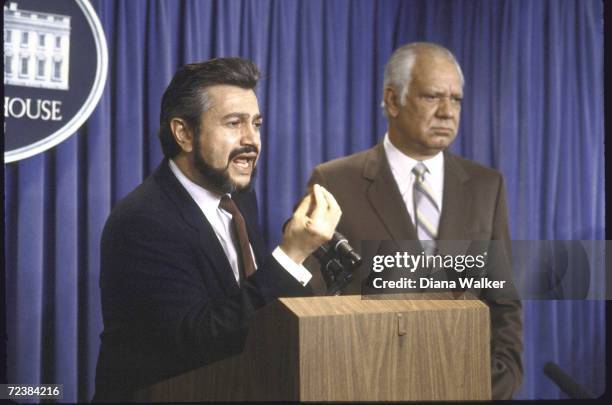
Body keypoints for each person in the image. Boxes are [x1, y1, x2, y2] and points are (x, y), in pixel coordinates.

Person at [93, 58, 341, 401]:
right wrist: (291, 255)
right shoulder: (143, 220)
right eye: (234, 123)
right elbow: (202, 340)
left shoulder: (240, 198)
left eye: (256, 124)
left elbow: (251, 312)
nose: (251, 140)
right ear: (184, 133)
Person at [305, 43, 522, 399]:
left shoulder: (487, 185)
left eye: (456, 100)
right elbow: (315, 301)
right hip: (371, 386)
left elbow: (504, 301)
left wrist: (501, 379)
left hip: (469, 386)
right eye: (432, 97)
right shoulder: (333, 182)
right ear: (392, 100)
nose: (446, 112)